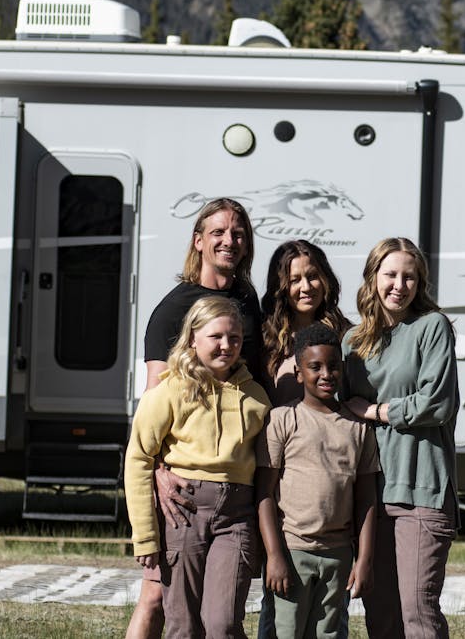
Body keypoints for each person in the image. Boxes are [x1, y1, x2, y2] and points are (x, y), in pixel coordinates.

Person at [127, 197, 263, 639]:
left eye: (238, 233)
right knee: (155, 598)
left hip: (232, 491)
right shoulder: (174, 308)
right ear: (199, 241)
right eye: (219, 232)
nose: (230, 241)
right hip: (180, 487)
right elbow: (157, 404)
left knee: (220, 617)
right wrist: (161, 472)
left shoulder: (246, 298)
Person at [342, 237, 459, 639]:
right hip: (370, 495)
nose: (399, 284)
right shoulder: (353, 342)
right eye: (390, 274)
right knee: (381, 618)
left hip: (421, 492)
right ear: (373, 277)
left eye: (409, 276)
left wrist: (375, 411)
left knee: (418, 612)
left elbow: (436, 403)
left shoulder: (432, 328)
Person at [256, 323, 378, 639]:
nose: (326, 374)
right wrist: (274, 556)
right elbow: (265, 494)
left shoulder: (359, 428)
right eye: (315, 367)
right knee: (285, 631)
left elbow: (366, 500)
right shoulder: (282, 420)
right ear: (299, 373)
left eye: (333, 366)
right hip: (292, 552)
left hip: (338, 555)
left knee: (330, 633)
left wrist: (363, 561)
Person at [261, 239, 351, 405]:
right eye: (295, 280)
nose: (306, 287)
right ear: (280, 287)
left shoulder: (346, 335)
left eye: (312, 276)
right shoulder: (264, 340)